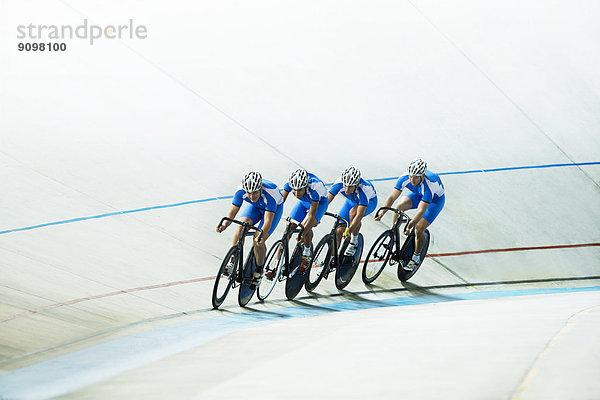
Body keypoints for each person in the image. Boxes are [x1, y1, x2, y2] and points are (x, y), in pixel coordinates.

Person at [374, 158, 445, 270]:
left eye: (415, 177)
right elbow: (392, 197)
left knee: (418, 228)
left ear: (422, 176)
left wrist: (409, 225)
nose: (412, 179)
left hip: (434, 201)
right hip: (417, 194)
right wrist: (383, 211)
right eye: (411, 176)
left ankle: (416, 258)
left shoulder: (429, 186)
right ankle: (394, 233)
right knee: (399, 207)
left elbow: (421, 211)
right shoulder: (404, 178)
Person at [216, 171, 284, 287]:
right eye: (249, 193)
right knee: (241, 227)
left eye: (255, 193)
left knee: (258, 240)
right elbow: (232, 212)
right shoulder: (240, 191)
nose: (252, 196)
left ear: (260, 189)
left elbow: (267, 221)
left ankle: (259, 271)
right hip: (255, 207)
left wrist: (260, 236)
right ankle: (233, 261)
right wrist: (224, 225)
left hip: (273, 211)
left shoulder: (270, 195)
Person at [280, 168, 329, 273]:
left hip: (319, 204)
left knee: (306, 226)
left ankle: (307, 253)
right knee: (288, 228)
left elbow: (311, 216)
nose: (297, 193)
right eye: (294, 190)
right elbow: (280, 203)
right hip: (303, 203)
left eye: (300, 190)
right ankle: (278, 264)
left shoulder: (316, 188)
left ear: (306, 186)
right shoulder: (290, 182)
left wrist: (303, 233)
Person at [328, 166, 378, 256]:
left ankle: (354, 242)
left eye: (350, 187)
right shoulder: (339, 182)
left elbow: (359, 215)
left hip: (369, 202)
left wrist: (349, 231)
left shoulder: (364, 189)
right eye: (345, 185)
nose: (347, 189)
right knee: (338, 231)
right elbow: (325, 201)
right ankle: (329, 261)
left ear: (357, 184)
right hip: (351, 201)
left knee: (353, 214)